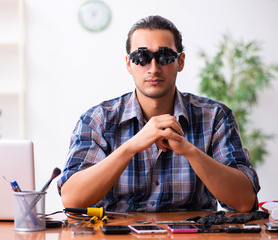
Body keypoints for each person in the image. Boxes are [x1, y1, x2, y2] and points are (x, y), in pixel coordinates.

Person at [57, 15, 260, 212]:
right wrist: (131, 146)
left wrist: (189, 151)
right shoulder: (98, 120)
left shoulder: (215, 117)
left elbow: (244, 202)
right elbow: (72, 199)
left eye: (164, 57)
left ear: (180, 62)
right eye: (141, 58)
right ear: (128, 64)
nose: (153, 69)